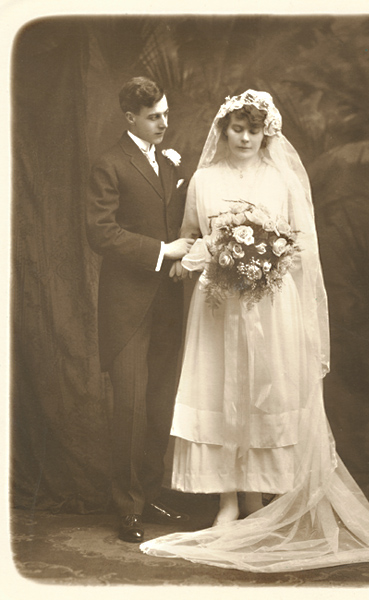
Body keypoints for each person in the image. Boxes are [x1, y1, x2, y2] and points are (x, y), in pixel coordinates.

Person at [139, 90, 369, 571]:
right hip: (217, 306)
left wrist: (268, 261)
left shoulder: (283, 180)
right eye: (237, 128)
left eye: (254, 130)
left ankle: (256, 499)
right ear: (224, 130)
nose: (245, 138)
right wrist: (194, 259)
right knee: (220, 390)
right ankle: (227, 502)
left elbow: (303, 246)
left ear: (266, 132)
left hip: (271, 306)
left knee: (260, 394)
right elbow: (193, 233)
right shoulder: (204, 180)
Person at [86, 76, 194, 543]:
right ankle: (127, 508)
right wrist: (164, 251)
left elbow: (179, 222)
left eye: (165, 114)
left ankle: (149, 494)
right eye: (154, 117)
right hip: (127, 306)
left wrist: (181, 259)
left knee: (158, 406)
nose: (163, 124)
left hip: (168, 302)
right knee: (129, 409)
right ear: (130, 118)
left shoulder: (169, 162)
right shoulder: (109, 164)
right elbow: (101, 233)